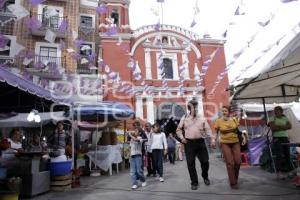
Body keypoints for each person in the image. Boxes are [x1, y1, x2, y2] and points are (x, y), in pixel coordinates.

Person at [176, 99, 215, 190]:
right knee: (190, 163)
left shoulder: (202, 118)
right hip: (189, 143)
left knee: (205, 162)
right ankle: (194, 182)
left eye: (196, 107)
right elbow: (178, 129)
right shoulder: (184, 117)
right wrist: (182, 138)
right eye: (193, 107)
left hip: (200, 142)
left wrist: (212, 139)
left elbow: (208, 129)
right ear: (189, 108)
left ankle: (205, 176)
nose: (195, 109)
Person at [214, 106, 241, 189]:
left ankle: (235, 177)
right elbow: (216, 132)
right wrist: (213, 141)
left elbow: (238, 130)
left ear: (229, 112)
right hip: (225, 143)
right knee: (230, 163)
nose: (224, 112)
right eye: (223, 111)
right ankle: (233, 182)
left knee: (238, 162)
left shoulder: (234, 119)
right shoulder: (218, 121)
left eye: (225, 111)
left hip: (235, 142)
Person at [268, 106, 293, 179]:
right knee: (279, 155)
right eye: (275, 111)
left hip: (285, 137)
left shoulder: (285, 118)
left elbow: (290, 126)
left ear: (281, 112)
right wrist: (284, 126)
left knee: (287, 154)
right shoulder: (272, 118)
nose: (276, 112)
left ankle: (289, 171)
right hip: (277, 138)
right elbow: (273, 128)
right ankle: (279, 172)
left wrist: (278, 126)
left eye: (277, 111)